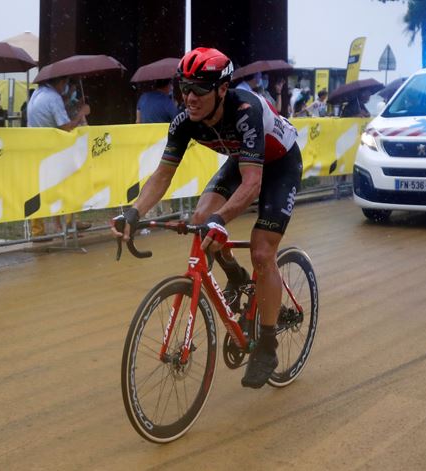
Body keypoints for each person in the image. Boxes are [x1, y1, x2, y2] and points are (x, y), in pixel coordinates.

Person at [111, 47, 303, 389]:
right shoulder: (185, 120)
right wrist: (134, 212)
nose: (189, 97)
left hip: (279, 165)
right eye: (184, 87)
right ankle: (234, 273)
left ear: (222, 90)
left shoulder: (246, 111)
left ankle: (268, 344)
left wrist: (222, 218)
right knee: (202, 218)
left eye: (199, 89)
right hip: (244, 162)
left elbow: (253, 183)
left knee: (261, 251)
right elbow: (162, 176)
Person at [27, 74, 92, 236]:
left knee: (39, 190)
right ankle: (66, 226)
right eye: (66, 84)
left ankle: (39, 230)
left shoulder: (38, 93)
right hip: (54, 151)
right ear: (62, 82)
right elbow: (66, 127)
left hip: (36, 149)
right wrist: (81, 112)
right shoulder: (53, 98)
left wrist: (68, 98)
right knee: (64, 187)